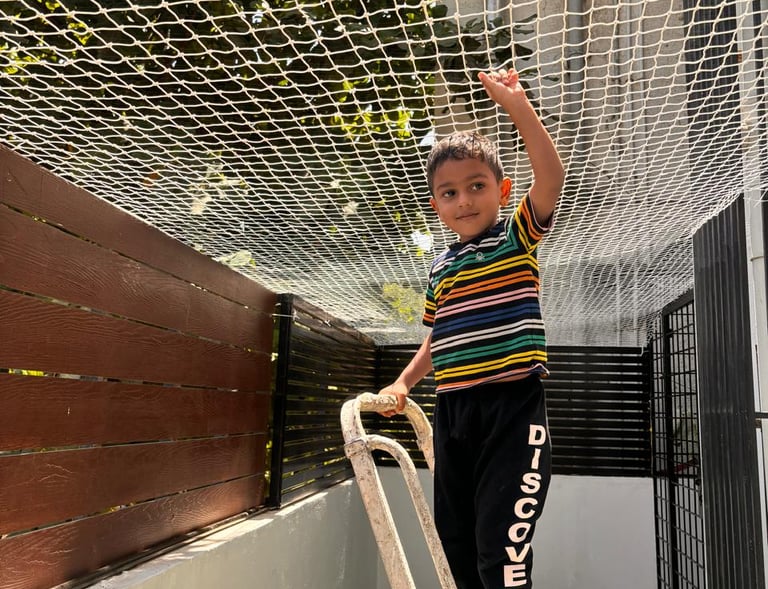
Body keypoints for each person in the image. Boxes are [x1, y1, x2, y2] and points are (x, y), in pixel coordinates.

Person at [378, 68, 565, 589]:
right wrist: (403, 382)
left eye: (477, 186)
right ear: (436, 204)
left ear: (502, 191)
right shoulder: (440, 268)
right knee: (454, 546)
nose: (464, 200)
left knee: (499, 552)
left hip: (512, 409)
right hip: (453, 412)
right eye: (450, 193)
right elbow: (439, 338)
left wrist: (519, 109)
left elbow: (550, 178)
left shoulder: (516, 237)